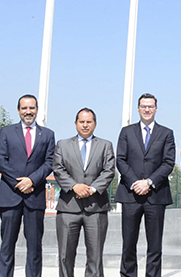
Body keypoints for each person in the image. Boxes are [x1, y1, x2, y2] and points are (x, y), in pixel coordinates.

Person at [0, 94, 56, 277]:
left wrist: (32, 181)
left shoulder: (47, 134)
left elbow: (49, 162)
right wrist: (19, 182)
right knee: (7, 245)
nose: (28, 112)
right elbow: (0, 160)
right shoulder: (6, 132)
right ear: (18, 110)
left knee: (35, 246)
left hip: (34, 196)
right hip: (10, 196)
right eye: (24, 108)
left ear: (37, 109)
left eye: (32, 108)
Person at [115, 93, 176, 277]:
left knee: (155, 245)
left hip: (156, 196)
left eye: (150, 106)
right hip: (130, 194)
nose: (147, 109)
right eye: (143, 106)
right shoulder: (127, 131)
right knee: (128, 244)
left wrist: (149, 182)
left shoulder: (166, 133)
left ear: (156, 109)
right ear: (138, 108)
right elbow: (121, 160)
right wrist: (135, 182)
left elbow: (168, 162)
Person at [52, 108, 115, 277]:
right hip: (68, 207)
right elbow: (58, 169)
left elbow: (109, 171)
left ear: (95, 124)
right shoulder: (63, 145)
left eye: (89, 122)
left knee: (95, 258)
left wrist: (91, 189)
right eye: (82, 122)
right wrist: (74, 186)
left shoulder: (106, 145)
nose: (85, 125)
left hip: (96, 208)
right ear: (75, 124)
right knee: (65, 256)